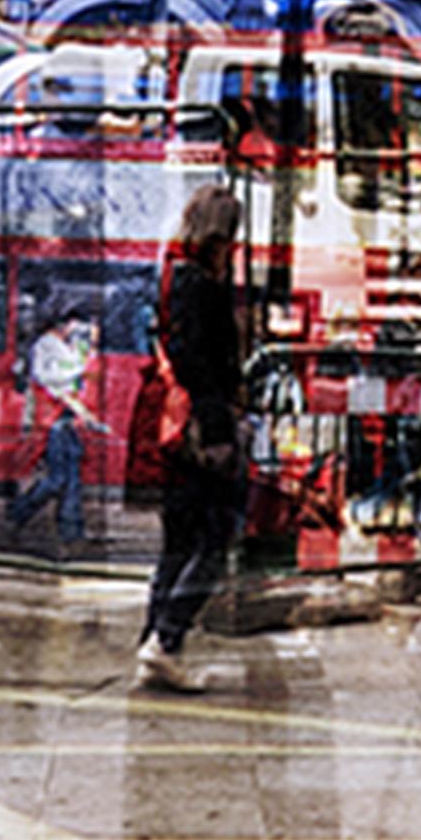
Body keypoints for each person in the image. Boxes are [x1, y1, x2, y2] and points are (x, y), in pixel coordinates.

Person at [135, 186, 251, 692]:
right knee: (215, 539)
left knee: (178, 541)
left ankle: (154, 646)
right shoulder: (203, 285)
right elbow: (204, 367)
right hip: (203, 430)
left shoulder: (172, 274)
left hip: (177, 428)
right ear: (220, 235)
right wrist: (223, 432)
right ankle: (165, 640)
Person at [4, 292, 99, 537]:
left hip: (68, 413)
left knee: (73, 475)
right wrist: (77, 371)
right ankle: (20, 511)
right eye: (73, 321)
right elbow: (43, 377)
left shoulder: (72, 346)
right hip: (51, 416)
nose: (77, 327)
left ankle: (71, 528)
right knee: (57, 478)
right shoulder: (44, 345)